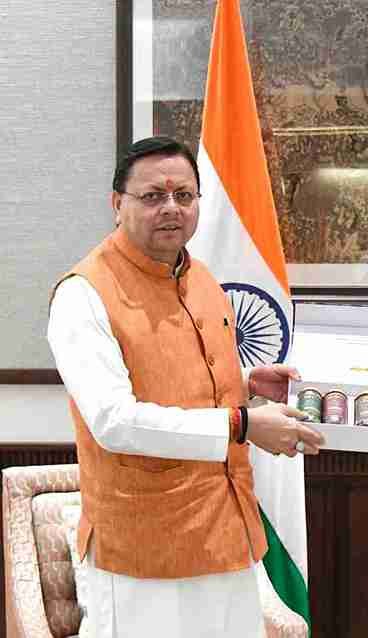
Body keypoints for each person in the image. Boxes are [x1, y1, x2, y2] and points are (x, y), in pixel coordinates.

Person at [47, 136, 324, 638]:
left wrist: (247, 383)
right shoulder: (82, 294)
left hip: (228, 532)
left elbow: (181, 384)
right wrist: (243, 425)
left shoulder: (203, 280)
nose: (171, 208)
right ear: (117, 204)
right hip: (144, 551)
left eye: (184, 195)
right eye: (153, 196)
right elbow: (115, 422)